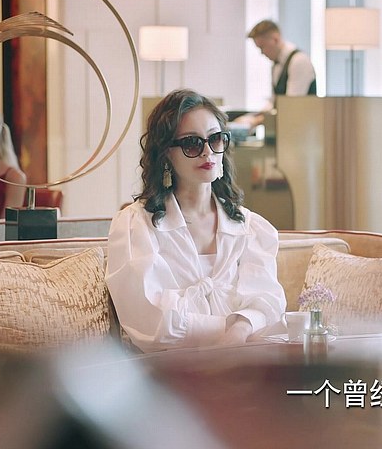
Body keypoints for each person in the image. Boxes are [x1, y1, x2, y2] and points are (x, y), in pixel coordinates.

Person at [105, 88, 286, 352]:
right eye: (192, 143)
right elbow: (149, 323)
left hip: (245, 361)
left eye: (216, 139)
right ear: (166, 152)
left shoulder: (249, 227)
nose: (207, 152)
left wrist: (240, 331)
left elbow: (267, 303)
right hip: (169, 369)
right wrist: (233, 330)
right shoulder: (137, 226)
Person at [235, 19, 317, 127]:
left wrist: (256, 121)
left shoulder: (299, 61)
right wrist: (252, 117)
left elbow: (291, 106)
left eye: (262, 47)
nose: (262, 53)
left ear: (275, 39)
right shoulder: (276, 65)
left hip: (302, 130)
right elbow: (273, 102)